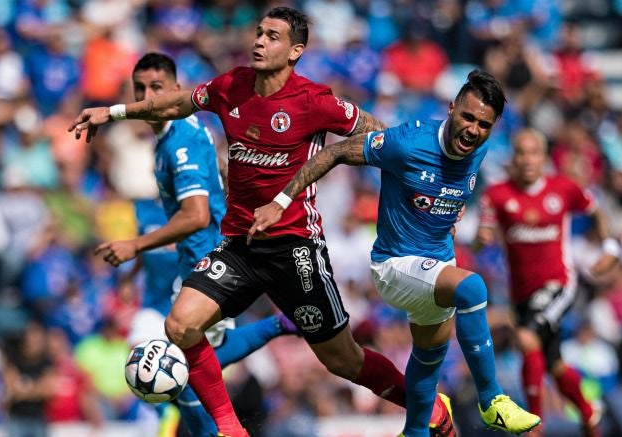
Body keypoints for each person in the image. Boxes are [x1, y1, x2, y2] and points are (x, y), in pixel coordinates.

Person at [69, 8, 454, 437]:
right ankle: (231, 428)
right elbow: (179, 102)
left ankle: (430, 406)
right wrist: (116, 112)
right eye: (258, 33)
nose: (259, 41)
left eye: (272, 36)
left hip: (295, 248)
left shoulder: (314, 101)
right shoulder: (231, 85)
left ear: (295, 51)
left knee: (343, 360)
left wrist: (422, 195)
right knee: (179, 325)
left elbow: (381, 137)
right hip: (239, 245)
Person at [249, 69, 541, 436]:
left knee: (429, 357)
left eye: (483, 124)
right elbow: (338, 152)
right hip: (395, 265)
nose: (472, 129)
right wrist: (281, 200)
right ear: (451, 108)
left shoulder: (478, 149)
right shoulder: (408, 141)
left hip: (436, 261)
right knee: (474, 288)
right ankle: (492, 400)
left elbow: (448, 189)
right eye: (467, 117)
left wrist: (450, 212)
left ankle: (415, 431)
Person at [93, 53, 301, 436]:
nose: (146, 95)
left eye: (156, 87)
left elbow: (196, 215)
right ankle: (282, 323)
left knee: (189, 369)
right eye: (139, 88)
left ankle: (281, 324)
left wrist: (135, 246)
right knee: (195, 366)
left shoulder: (179, 142)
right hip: (200, 261)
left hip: (211, 263)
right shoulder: (169, 137)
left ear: (175, 90)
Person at [476, 128, 619, 437]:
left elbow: (597, 213)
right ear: (512, 158)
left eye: (533, 153)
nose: (527, 160)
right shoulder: (497, 195)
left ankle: (533, 426)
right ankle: (587, 411)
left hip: (559, 284)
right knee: (553, 364)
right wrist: (479, 238)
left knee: (527, 339)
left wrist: (610, 248)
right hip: (520, 293)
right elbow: (481, 239)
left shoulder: (564, 189)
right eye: (521, 153)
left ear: (543, 158)